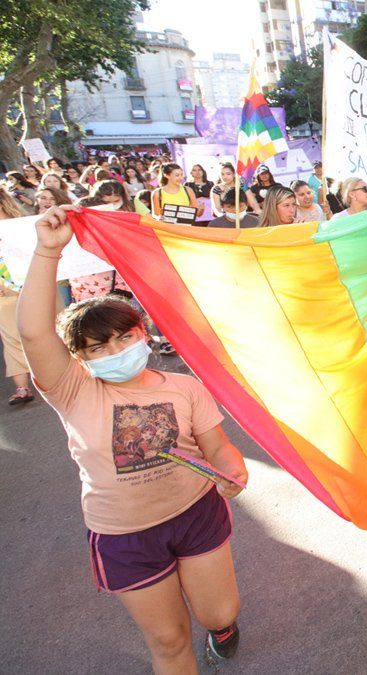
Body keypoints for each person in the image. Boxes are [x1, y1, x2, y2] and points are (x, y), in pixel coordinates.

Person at [17, 204, 249, 671]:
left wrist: (233, 469)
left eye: (123, 338)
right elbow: (33, 332)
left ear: (142, 333)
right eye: (97, 347)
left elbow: (217, 446)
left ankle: (222, 627)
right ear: (79, 358)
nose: (115, 351)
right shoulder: (72, 389)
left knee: (219, 611)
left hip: (197, 514)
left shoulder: (186, 388)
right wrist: (47, 254)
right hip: (124, 537)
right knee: (168, 641)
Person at [0, 189, 33, 404]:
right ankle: (22, 388)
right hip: (4, 295)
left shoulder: (22, 226)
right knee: (12, 340)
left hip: (31, 286)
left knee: (41, 333)